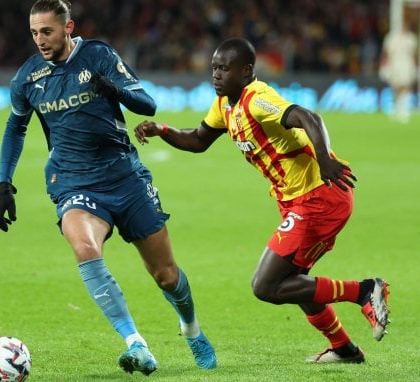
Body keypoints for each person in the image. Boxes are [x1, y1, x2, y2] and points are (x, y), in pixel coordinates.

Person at [0, 0, 216, 375]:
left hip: (124, 177)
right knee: (84, 246)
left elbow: (147, 104)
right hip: (73, 181)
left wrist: (115, 91)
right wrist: (4, 183)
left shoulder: (98, 56)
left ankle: (191, 328)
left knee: (166, 275)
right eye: (34, 33)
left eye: (46, 31)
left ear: (68, 27)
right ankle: (136, 343)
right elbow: (15, 128)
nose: (40, 40)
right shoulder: (28, 78)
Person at [135, 37, 390, 364]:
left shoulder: (257, 99)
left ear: (246, 72)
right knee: (295, 282)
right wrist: (162, 129)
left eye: (224, 69)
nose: (215, 75)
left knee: (266, 285)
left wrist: (325, 159)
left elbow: (310, 117)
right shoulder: (225, 103)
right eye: (214, 68)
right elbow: (199, 139)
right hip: (298, 200)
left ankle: (364, 290)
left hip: (319, 196)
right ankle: (343, 348)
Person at [379, 22, 417, 124]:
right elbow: (386, 52)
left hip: (406, 64)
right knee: (395, 87)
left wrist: (414, 66)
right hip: (394, 64)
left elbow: (413, 53)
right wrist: (384, 65)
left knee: (406, 87)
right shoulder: (391, 38)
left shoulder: (411, 38)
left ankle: (404, 110)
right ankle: (395, 109)